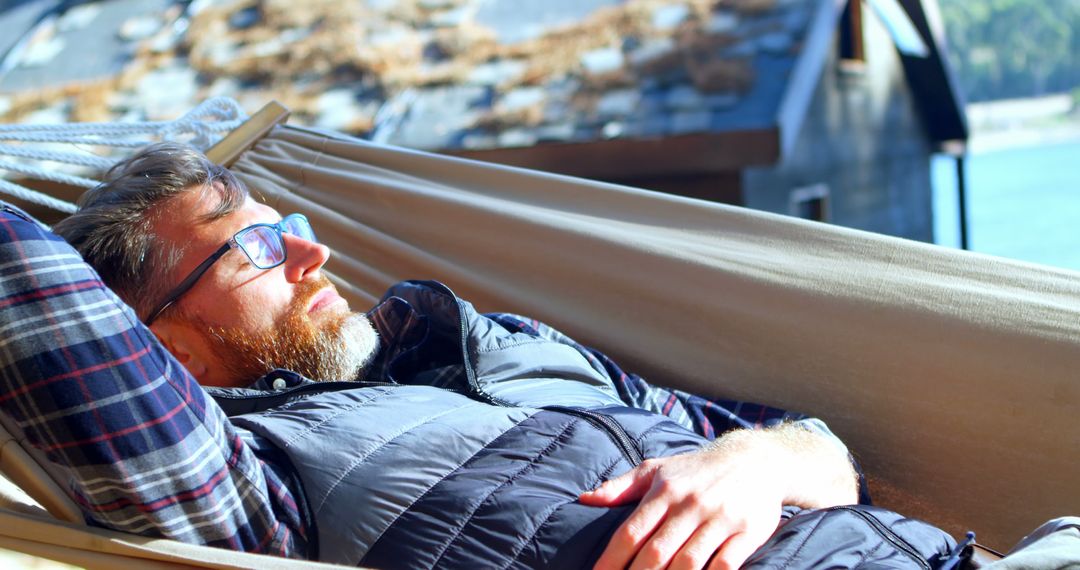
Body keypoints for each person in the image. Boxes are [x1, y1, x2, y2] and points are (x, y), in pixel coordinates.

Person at [0, 143, 946, 569]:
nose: (311, 249)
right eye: (249, 247)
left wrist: (756, 461)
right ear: (174, 352)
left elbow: (812, 446)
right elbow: (29, 287)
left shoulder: (505, 345)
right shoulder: (257, 487)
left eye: (288, 222)